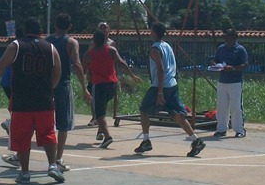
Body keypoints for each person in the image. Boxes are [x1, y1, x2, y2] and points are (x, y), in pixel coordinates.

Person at [0, 17, 64, 184]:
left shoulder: (16, 46)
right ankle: (52, 165)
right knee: (48, 134)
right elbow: (58, 71)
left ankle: (24, 172)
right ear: (40, 30)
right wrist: (48, 88)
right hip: (44, 100)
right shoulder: (50, 48)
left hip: (22, 101)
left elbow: (1, 66)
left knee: (22, 137)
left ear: (24, 29)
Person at [134, 22, 206, 157]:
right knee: (178, 115)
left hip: (160, 86)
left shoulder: (155, 49)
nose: (150, 32)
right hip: (172, 84)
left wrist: (160, 92)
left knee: (144, 110)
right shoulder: (167, 46)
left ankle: (146, 141)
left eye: (151, 30)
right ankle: (196, 140)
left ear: (154, 32)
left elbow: (161, 70)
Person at [46, 13, 91, 172]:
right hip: (63, 85)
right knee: (63, 124)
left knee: (42, 121)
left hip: (47, 86)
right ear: (69, 26)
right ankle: (58, 159)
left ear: (55, 25)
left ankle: (20, 154)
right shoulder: (71, 42)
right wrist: (84, 87)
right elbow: (77, 65)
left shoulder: (47, 41)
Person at [83, 31, 141, 149]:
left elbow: (82, 69)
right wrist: (132, 76)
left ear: (93, 41)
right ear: (105, 40)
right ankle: (101, 131)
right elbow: (122, 63)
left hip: (99, 86)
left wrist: (84, 84)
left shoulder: (89, 54)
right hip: (111, 85)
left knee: (99, 114)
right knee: (102, 110)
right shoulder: (111, 50)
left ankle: (107, 137)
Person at [212, 29, 249, 138]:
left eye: (227, 36)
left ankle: (239, 130)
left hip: (235, 82)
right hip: (222, 81)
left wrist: (232, 68)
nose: (225, 38)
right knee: (222, 106)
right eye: (225, 36)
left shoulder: (240, 50)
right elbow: (215, 60)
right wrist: (215, 65)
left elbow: (245, 65)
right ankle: (221, 129)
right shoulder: (221, 48)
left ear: (234, 37)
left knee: (236, 106)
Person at [0, 27, 23, 167]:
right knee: (21, 113)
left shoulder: (14, 46)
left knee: (18, 110)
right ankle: (10, 123)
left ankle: (11, 122)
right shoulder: (20, 47)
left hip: (7, 82)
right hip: (13, 83)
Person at [86, 22, 115, 130]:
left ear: (109, 30)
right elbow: (88, 58)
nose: (103, 29)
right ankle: (94, 117)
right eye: (101, 27)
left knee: (103, 99)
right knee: (93, 96)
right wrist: (88, 72)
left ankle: (100, 118)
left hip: (106, 75)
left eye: (105, 27)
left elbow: (115, 60)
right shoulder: (92, 43)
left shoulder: (111, 44)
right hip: (94, 73)